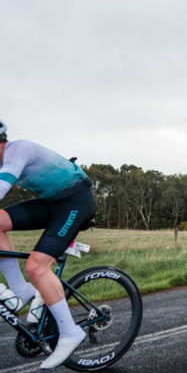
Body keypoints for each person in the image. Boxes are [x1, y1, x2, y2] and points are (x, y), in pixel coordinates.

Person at [0, 120, 97, 369]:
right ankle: (20, 290)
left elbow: (3, 185)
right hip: (53, 202)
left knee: (36, 267)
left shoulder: (16, 150)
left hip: (76, 201)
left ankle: (70, 332)